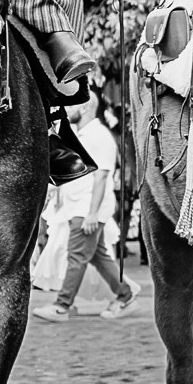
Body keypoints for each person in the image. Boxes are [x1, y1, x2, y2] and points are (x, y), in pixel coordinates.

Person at [34, 96, 137, 321]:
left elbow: (102, 176)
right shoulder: (82, 135)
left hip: (86, 209)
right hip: (78, 207)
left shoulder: (99, 136)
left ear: (85, 106)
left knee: (77, 256)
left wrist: (92, 213)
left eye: (70, 105)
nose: (66, 110)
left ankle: (62, 306)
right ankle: (125, 295)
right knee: (98, 257)